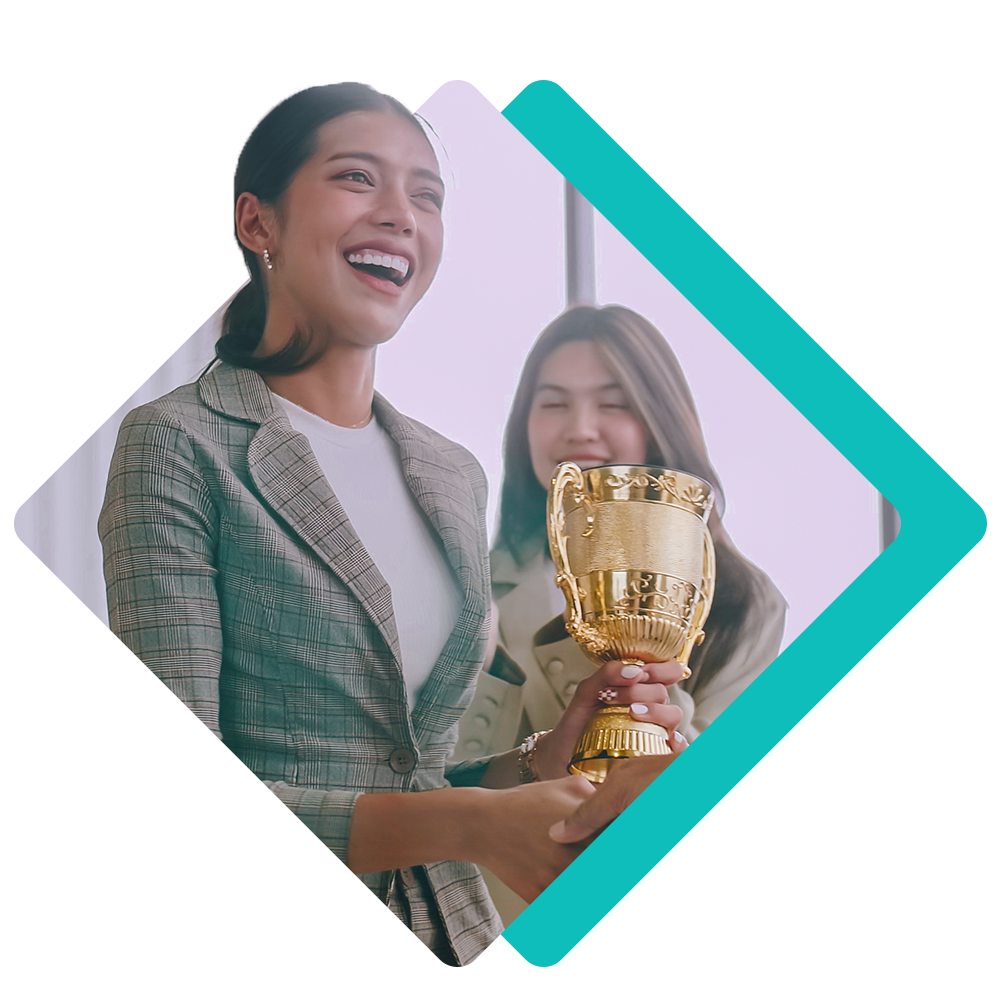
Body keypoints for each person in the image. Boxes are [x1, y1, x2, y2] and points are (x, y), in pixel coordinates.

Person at [97, 84, 682, 967]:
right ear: (258, 223)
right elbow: (172, 806)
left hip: (456, 935)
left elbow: (408, 772)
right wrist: (474, 822)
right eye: (357, 178)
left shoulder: (450, 471)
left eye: (427, 195)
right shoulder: (180, 444)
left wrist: (547, 754)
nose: (400, 216)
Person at [455, 304, 786, 768]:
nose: (581, 429)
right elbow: (438, 782)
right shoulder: (468, 588)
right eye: (553, 403)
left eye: (614, 404)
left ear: (660, 421)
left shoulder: (745, 601)